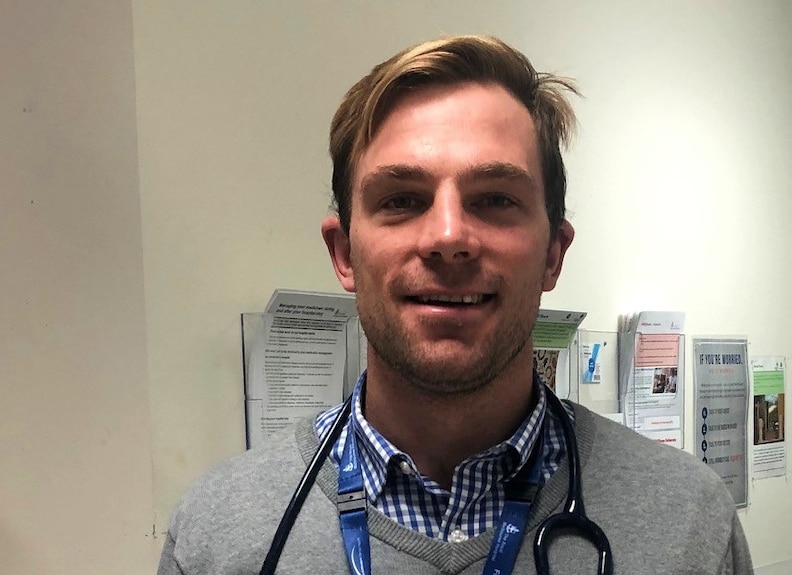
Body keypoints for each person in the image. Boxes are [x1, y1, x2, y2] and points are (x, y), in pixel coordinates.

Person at [158, 35, 753, 574]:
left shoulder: (690, 523)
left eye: (494, 198)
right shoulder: (216, 538)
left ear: (553, 253)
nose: (448, 236)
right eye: (401, 199)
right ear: (343, 254)